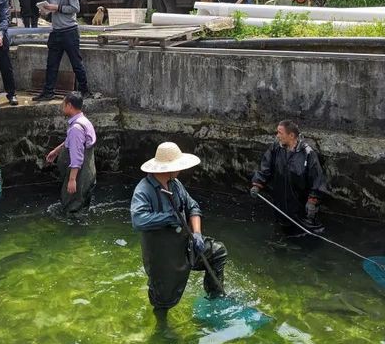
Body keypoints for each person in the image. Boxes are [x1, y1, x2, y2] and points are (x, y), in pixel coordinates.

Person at [131, 142, 227, 314]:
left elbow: (193, 207)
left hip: (186, 243)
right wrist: (168, 218)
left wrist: (197, 234)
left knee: (218, 253)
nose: (180, 170)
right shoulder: (143, 190)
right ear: (168, 168)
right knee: (163, 301)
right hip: (163, 255)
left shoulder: (175, 184)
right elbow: (138, 220)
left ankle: (214, 298)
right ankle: (161, 328)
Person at [250, 120, 329, 235]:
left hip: (299, 205)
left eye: (280, 133)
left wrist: (312, 201)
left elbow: (317, 179)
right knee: (282, 228)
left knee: (307, 233)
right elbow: (265, 168)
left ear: (291, 135)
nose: (277, 136)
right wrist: (257, 184)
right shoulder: (276, 148)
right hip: (280, 202)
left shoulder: (308, 154)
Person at [32, 0, 89, 102]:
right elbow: (52, 9)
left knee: (76, 62)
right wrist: (46, 10)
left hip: (69, 30)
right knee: (51, 63)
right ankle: (48, 91)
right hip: (56, 30)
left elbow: (75, 8)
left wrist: (57, 7)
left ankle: (85, 90)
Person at [45, 92, 97, 217]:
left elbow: (77, 156)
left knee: (72, 208)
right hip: (88, 174)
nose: (62, 107)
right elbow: (73, 142)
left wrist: (72, 180)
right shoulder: (83, 121)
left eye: (64, 104)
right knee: (82, 206)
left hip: (79, 176)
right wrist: (57, 151)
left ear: (69, 105)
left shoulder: (76, 129)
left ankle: (74, 233)